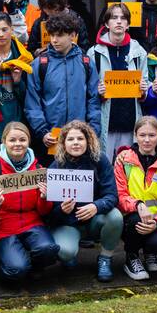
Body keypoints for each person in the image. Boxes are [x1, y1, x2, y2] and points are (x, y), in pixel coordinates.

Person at [0, 122, 59, 282]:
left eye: (22, 140)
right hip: (3, 227)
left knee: (49, 249)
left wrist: (44, 198)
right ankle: (5, 261)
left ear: (28, 142)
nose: (17, 144)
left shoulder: (38, 169)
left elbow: (44, 211)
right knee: (16, 270)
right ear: (4, 142)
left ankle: (30, 263)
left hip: (32, 223)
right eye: (12, 140)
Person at [47, 120, 124, 282]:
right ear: (63, 143)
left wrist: (96, 206)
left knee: (115, 216)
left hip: (94, 219)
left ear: (88, 141)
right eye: (71, 139)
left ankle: (105, 258)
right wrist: (61, 209)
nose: (76, 143)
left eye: (80, 139)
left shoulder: (100, 160)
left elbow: (112, 196)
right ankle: (68, 256)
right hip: (68, 223)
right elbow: (48, 214)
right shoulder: (55, 166)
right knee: (65, 252)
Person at [24, 11, 102, 161]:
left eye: (59, 35)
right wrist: (42, 131)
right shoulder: (40, 64)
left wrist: (93, 130)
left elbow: (93, 100)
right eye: (52, 35)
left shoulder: (86, 62)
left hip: (80, 138)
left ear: (72, 35)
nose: (54, 40)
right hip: (51, 138)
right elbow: (32, 103)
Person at [113, 116, 157, 281]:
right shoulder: (124, 160)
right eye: (142, 135)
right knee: (136, 220)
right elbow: (119, 195)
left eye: (152, 135)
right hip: (130, 217)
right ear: (136, 136)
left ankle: (151, 252)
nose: (147, 140)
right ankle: (132, 257)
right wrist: (138, 205)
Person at [87, 3, 149, 160]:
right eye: (114, 18)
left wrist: (144, 90)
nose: (119, 21)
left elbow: (145, 86)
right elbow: (88, 90)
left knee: (128, 166)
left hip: (130, 121)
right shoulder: (94, 53)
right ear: (107, 24)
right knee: (105, 167)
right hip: (106, 121)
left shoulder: (139, 52)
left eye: (123, 18)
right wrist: (98, 92)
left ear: (128, 24)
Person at [26, 0, 90, 55]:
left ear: (61, 5)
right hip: (47, 64)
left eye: (54, 9)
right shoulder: (39, 23)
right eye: (46, 9)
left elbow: (84, 48)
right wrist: (38, 53)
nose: (50, 13)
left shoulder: (76, 20)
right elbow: (30, 51)